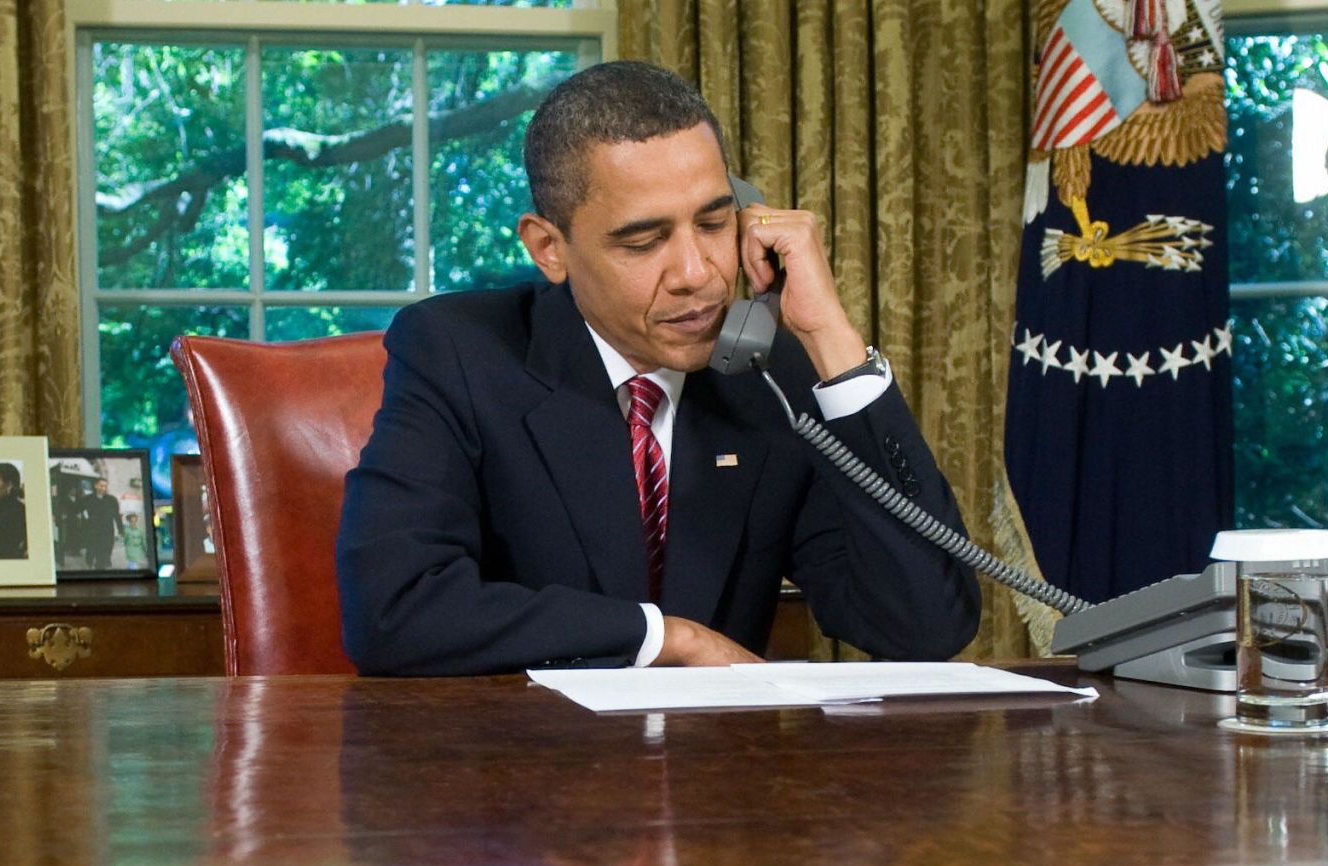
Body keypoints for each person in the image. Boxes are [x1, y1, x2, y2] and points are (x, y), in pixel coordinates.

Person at [335, 61, 977, 675]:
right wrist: (666, 638)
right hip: (524, 770)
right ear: (548, 248)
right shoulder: (457, 351)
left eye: (714, 221)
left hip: (715, 776)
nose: (696, 275)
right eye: (643, 242)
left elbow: (924, 627)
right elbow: (394, 611)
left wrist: (831, 341)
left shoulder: (768, 375)